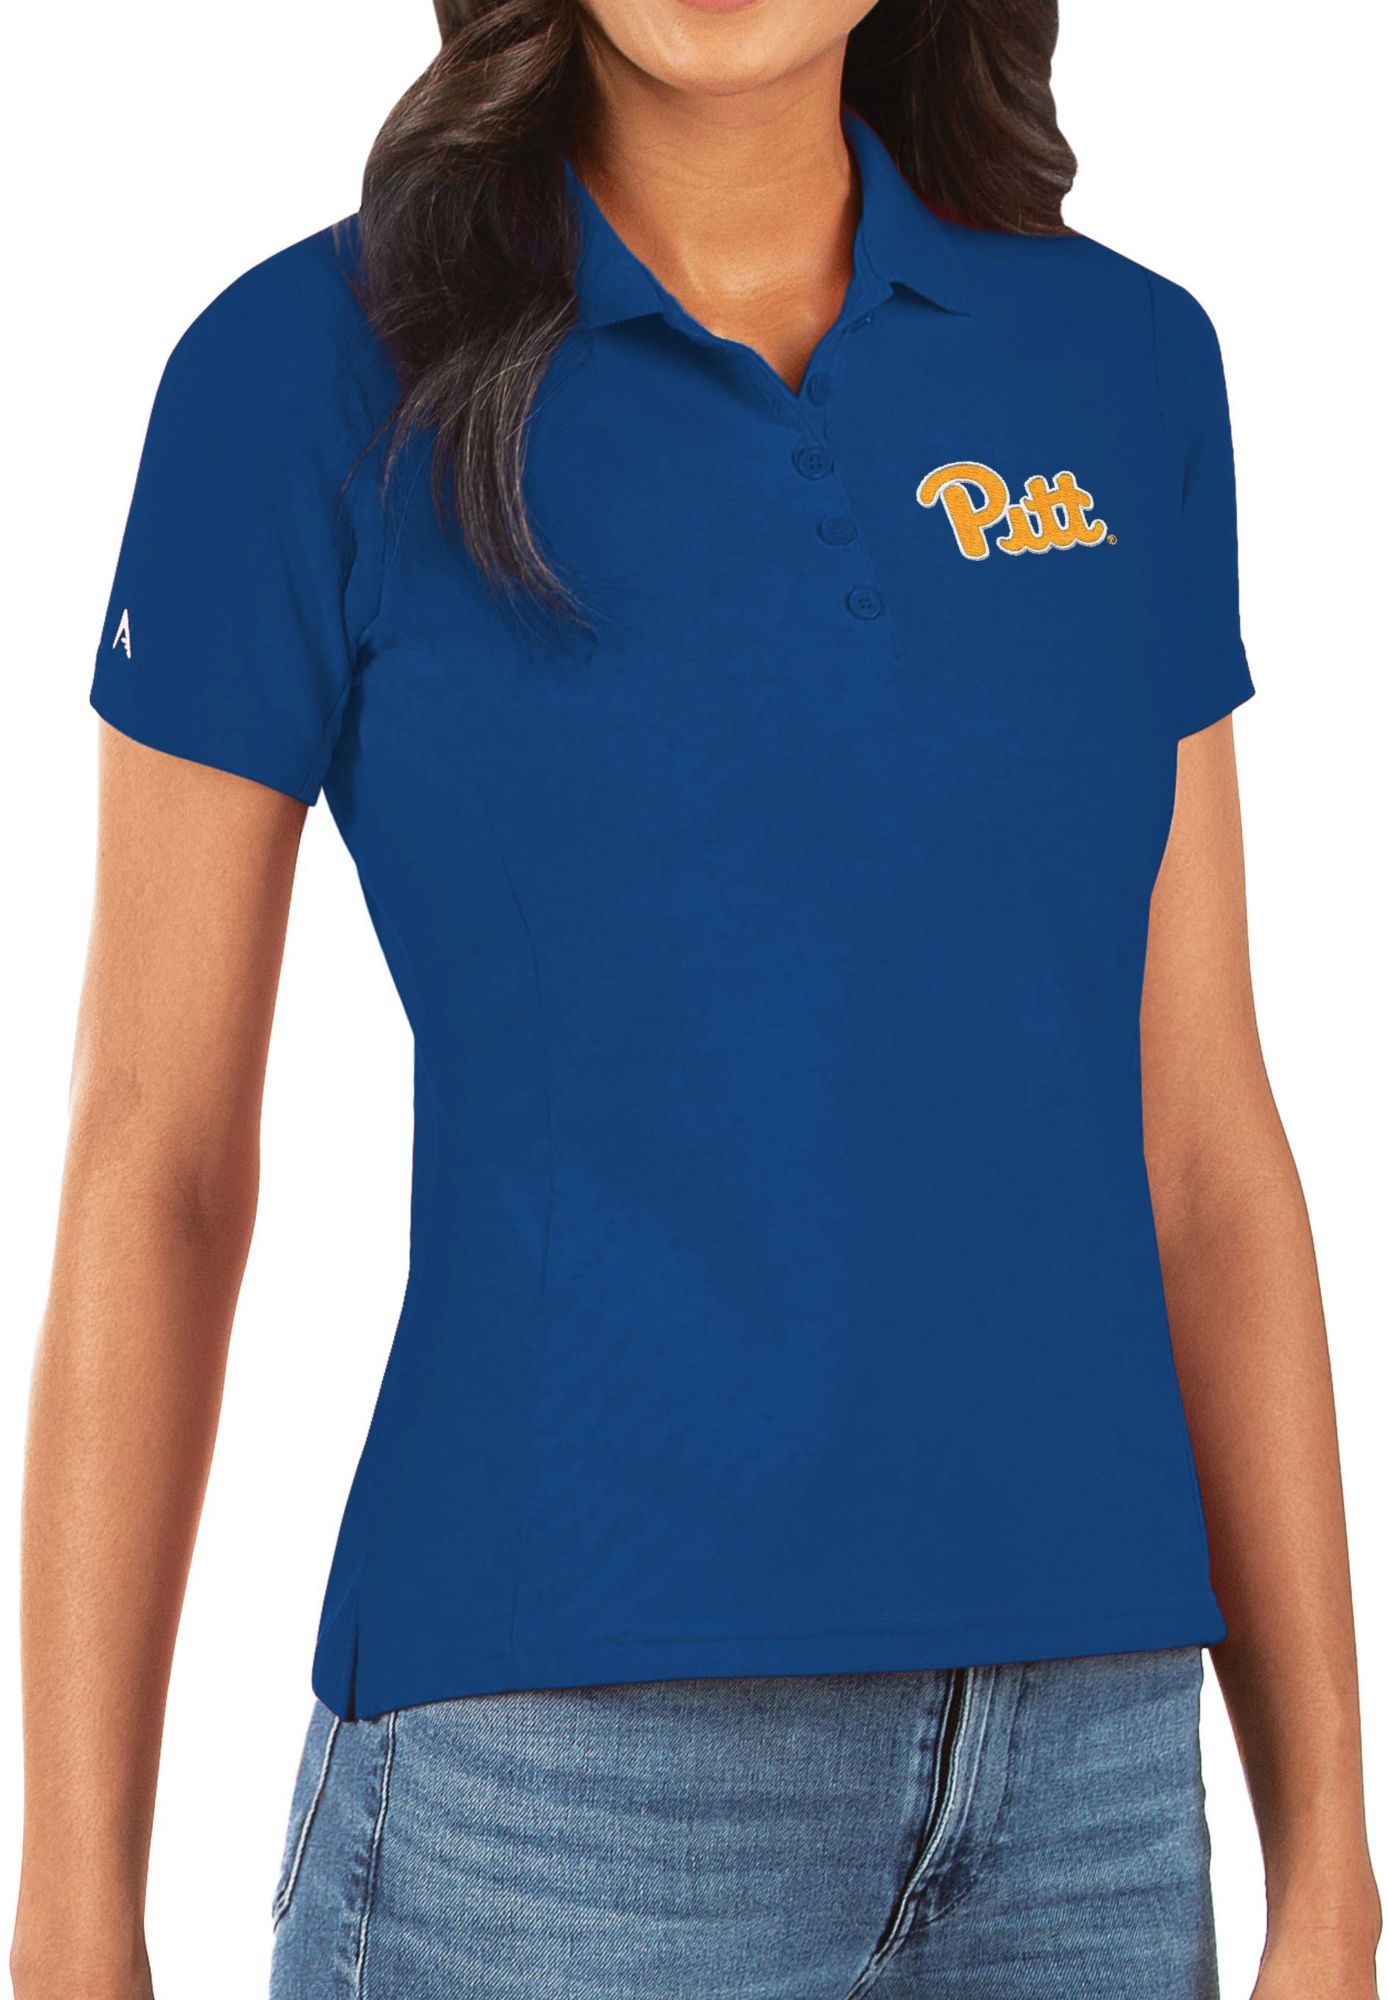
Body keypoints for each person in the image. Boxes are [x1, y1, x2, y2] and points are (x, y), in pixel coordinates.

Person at [11, 1, 1380, 1995]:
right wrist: (70, 1919)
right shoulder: (304, 372)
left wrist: (1329, 1853)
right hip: (559, 1789)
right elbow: (157, 1162)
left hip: (1091, 1783)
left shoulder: (1120, 363)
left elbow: (1202, 1149)